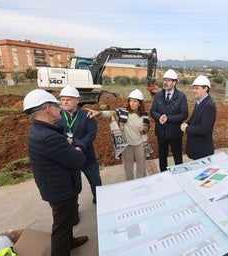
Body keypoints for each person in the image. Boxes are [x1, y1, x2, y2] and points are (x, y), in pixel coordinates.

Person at [23, 89, 88, 256]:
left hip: (57, 186)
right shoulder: (48, 137)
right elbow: (78, 160)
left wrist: (70, 142)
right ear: (47, 110)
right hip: (61, 190)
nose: (60, 108)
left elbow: (67, 144)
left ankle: (70, 242)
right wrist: (78, 148)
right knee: (61, 226)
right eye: (56, 106)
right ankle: (61, 250)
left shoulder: (41, 130)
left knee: (65, 221)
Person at [86, 89, 150, 180]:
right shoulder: (123, 112)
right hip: (126, 145)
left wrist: (144, 128)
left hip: (140, 144)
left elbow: (147, 127)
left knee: (141, 168)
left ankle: (142, 184)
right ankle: (130, 185)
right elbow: (111, 113)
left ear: (140, 103)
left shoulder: (144, 114)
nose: (132, 103)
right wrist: (99, 113)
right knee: (128, 169)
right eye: (131, 100)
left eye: (135, 101)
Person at [56, 85, 102, 206]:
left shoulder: (87, 115)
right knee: (71, 185)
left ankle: (100, 201)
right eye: (63, 99)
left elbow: (91, 134)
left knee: (95, 180)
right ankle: (74, 210)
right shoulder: (57, 116)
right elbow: (56, 135)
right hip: (68, 157)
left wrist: (79, 146)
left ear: (77, 100)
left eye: (69, 99)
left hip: (86, 156)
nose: (65, 102)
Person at [150, 69, 188, 172]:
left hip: (175, 133)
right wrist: (159, 117)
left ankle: (180, 175)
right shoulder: (158, 95)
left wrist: (168, 118)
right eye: (164, 80)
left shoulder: (181, 97)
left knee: (177, 158)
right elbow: (152, 111)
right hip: (161, 133)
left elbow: (184, 114)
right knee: (162, 158)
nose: (165, 82)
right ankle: (164, 176)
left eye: (168, 80)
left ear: (175, 82)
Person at [180, 75, 217, 160]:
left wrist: (187, 129)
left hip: (202, 150)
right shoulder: (200, 102)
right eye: (193, 88)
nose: (194, 91)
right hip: (197, 149)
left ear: (205, 89)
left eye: (196, 88)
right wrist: (187, 123)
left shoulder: (209, 106)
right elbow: (194, 118)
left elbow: (204, 129)